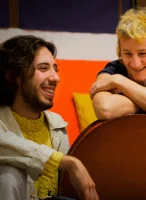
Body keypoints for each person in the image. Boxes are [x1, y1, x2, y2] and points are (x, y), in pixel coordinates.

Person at [0, 35, 99, 200]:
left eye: (55, 69)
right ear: (14, 76)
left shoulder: (57, 126)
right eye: (43, 68)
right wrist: (70, 163)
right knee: (9, 174)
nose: (55, 78)